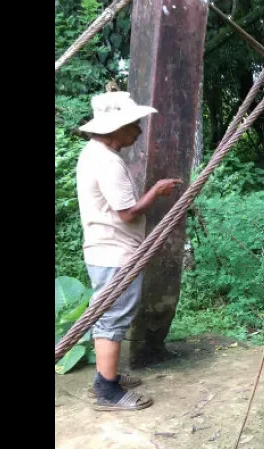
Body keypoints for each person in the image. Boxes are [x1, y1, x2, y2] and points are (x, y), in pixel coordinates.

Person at [76, 91, 182, 411]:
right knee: (114, 318)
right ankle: (108, 393)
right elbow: (127, 213)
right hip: (113, 253)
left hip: (105, 250)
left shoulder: (93, 153)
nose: (137, 130)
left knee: (107, 316)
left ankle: (104, 379)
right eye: (133, 124)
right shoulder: (107, 161)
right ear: (115, 128)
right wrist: (157, 191)